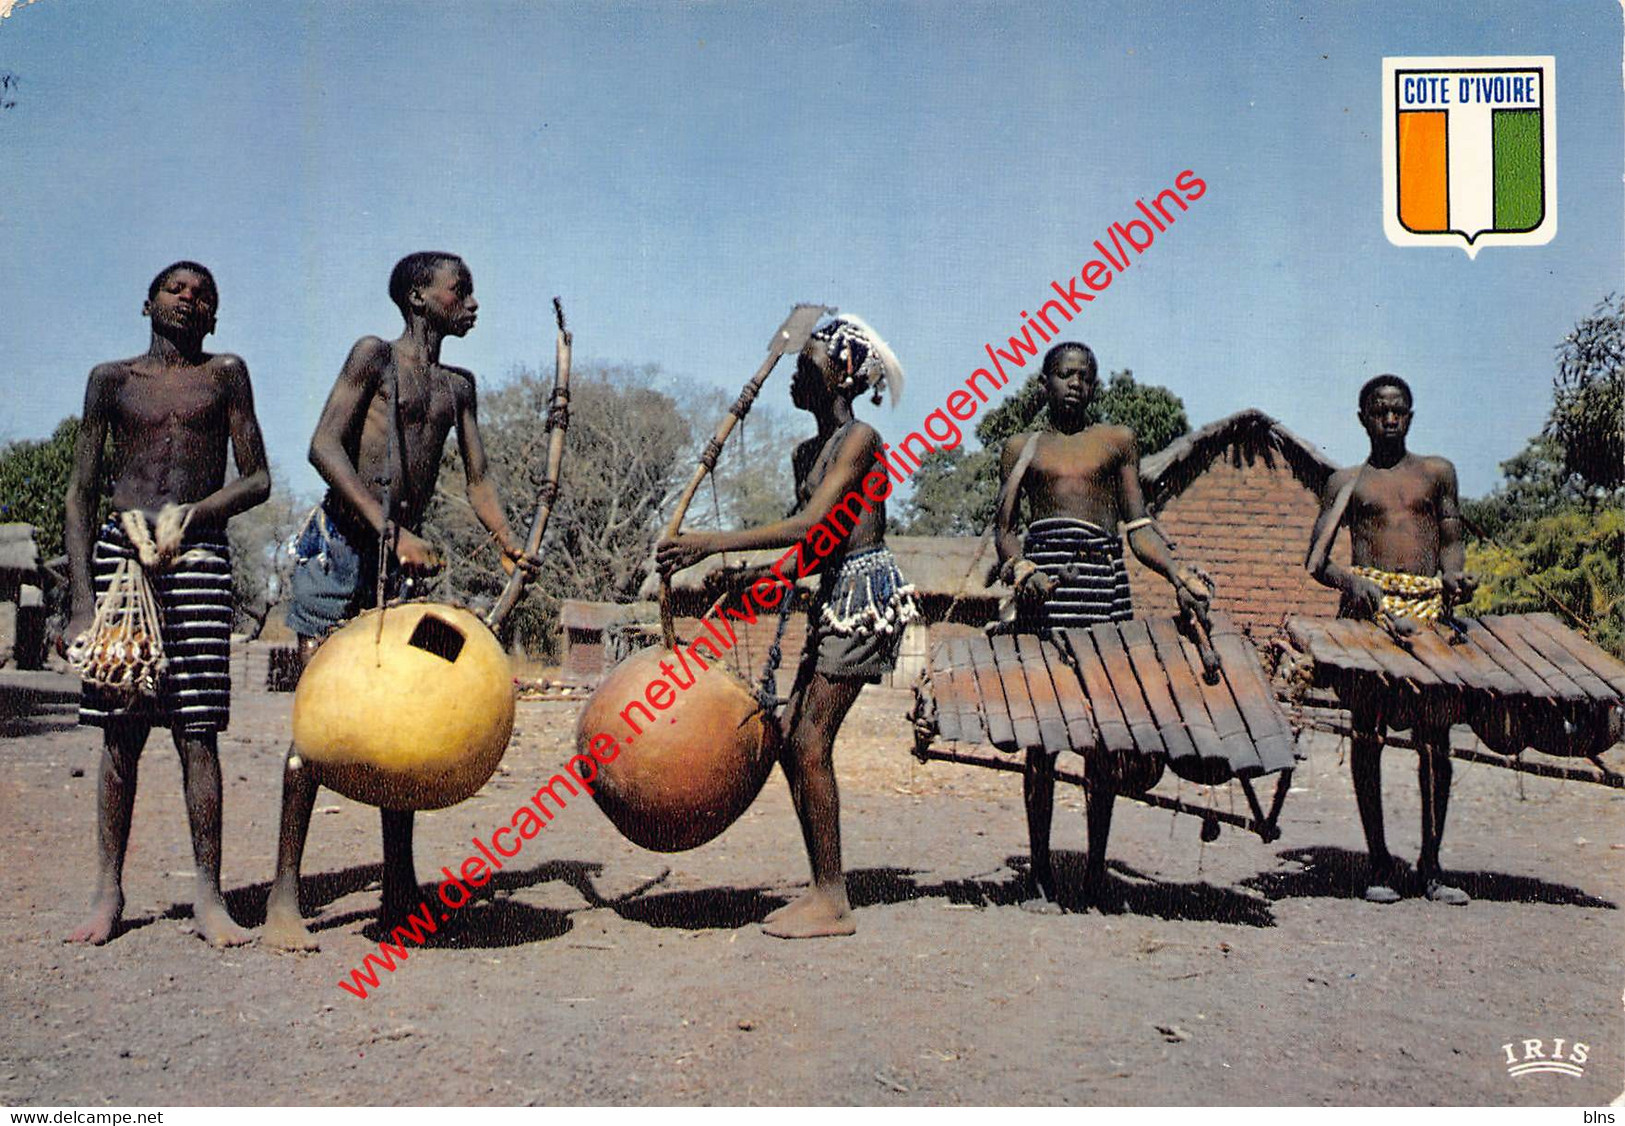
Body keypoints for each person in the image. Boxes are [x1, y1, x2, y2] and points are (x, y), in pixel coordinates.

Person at [263, 251, 534, 950]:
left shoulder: (459, 385)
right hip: (341, 550)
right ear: (420, 296)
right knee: (317, 723)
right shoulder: (372, 356)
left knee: (407, 716)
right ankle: (285, 897)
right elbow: (324, 447)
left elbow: (477, 479)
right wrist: (390, 530)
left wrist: (507, 539)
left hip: (401, 569)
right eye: (460, 290)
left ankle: (399, 891)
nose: (473, 302)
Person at [656, 316, 918, 938]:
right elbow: (812, 549)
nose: (795, 374)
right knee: (788, 734)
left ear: (844, 375)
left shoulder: (861, 439)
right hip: (834, 592)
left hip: (864, 597)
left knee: (808, 741)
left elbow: (811, 525)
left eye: (808, 364)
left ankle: (833, 899)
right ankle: (822, 887)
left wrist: (714, 544)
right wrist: (747, 578)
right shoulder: (808, 452)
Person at [62, 261, 271, 945]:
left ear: (214, 315)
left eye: (202, 293)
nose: (189, 298)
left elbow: (259, 477)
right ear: (146, 302)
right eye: (175, 289)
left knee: (197, 727)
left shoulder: (225, 375)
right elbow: (81, 492)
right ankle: (107, 891)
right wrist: (81, 605)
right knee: (120, 729)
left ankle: (210, 896)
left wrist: (197, 512)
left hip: (197, 557)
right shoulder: (112, 381)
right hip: (122, 558)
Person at [993, 341, 1211, 912]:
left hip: (1103, 594)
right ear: (1043, 383)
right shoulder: (1023, 449)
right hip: (1044, 600)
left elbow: (1138, 527)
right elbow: (1006, 531)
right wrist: (1022, 569)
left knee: (1102, 735)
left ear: (1095, 386)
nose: (1074, 384)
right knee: (1041, 740)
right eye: (1064, 375)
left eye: (1085, 377)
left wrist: (1176, 572)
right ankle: (1039, 873)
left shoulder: (1117, 443)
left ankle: (1094, 872)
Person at [1306, 374, 1473, 906]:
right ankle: (1378, 861)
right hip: (1368, 619)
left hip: (1427, 618)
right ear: (1362, 418)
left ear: (1411, 415)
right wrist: (1351, 581)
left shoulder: (1437, 474)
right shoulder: (1345, 484)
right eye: (1380, 412)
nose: (1390, 419)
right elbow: (1318, 563)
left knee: (1435, 740)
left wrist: (1454, 578)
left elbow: (1451, 541)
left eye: (1399, 411)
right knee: (1368, 736)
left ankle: (1431, 866)